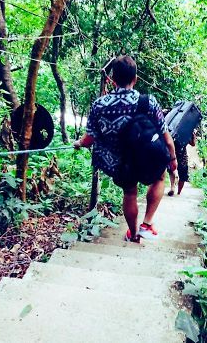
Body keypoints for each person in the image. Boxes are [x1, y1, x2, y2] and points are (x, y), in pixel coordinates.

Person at [73, 55, 177, 243]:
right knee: (160, 176)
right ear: (135, 79)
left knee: (129, 193)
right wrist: (172, 158)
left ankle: (133, 234)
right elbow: (166, 136)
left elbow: (89, 140)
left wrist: (79, 143)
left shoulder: (99, 105)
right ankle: (146, 224)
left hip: (120, 164)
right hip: (146, 159)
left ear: (112, 80)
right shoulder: (148, 102)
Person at [167, 130, 197, 196]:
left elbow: (193, 143)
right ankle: (173, 188)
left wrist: (193, 135)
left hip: (181, 155)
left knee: (182, 174)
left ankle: (178, 192)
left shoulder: (188, 130)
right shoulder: (173, 129)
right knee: (172, 170)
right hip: (173, 153)